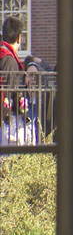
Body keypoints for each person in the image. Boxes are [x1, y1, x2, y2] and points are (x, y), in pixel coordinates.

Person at [0, 17, 34, 145]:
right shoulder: (9, 59)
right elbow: (10, 89)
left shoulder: (3, 54)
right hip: (10, 119)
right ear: (19, 38)